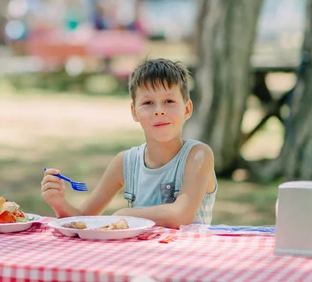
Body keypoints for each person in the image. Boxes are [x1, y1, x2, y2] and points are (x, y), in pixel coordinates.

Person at [41, 58, 217, 228]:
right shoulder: (126, 163)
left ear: (187, 109)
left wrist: (124, 215)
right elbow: (82, 221)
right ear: (134, 111)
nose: (159, 111)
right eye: (148, 102)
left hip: (186, 257)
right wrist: (59, 203)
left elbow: (181, 215)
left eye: (169, 101)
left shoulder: (198, 155)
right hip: (139, 257)